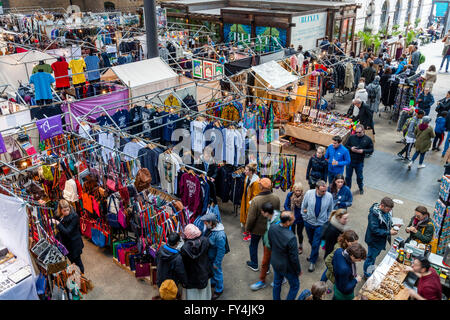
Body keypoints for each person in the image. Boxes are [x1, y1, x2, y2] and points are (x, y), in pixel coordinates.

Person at [245, 178, 280, 271]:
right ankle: (267, 267)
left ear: (261, 186)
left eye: (259, 184)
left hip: (256, 229)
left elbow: (251, 217)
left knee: (253, 245)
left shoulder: (256, 200)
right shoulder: (276, 198)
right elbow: (276, 214)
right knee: (267, 248)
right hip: (269, 229)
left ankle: (254, 264)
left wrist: (247, 228)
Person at [301, 180, 334, 272]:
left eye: (325, 190)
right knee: (311, 240)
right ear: (316, 189)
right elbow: (304, 206)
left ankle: (312, 261)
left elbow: (330, 209)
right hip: (308, 222)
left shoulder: (329, 196)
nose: (324, 193)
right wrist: (305, 217)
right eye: (322, 191)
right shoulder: (309, 193)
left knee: (316, 243)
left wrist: (327, 219)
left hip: (320, 224)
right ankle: (314, 254)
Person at [268, 211, 301, 300]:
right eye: (293, 219)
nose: (294, 219)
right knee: (295, 286)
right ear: (287, 222)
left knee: (277, 283)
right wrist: (298, 271)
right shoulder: (291, 237)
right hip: (287, 267)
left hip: (275, 261)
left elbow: (271, 243)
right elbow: (294, 258)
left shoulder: (272, 227)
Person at [363, 197, 398, 278]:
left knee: (374, 257)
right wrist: (389, 232)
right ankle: (367, 274)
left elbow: (388, 220)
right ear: (382, 205)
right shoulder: (374, 214)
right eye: (388, 209)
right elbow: (374, 230)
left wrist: (393, 225)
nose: (389, 211)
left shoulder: (385, 211)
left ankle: (370, 270)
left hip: (380, 241)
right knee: (370, 258)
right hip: (374, 241)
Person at [250, 202, 281, 291]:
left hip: (276, 247)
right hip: (267, 245)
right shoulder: (270, 216)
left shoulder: (279, 221)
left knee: (277, 265)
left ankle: (281, 279)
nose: (262, 213)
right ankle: (262, 282)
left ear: (267, 212)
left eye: (263, 212)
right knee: (264, 263)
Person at [180, 224, 213, 300]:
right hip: (204, 272)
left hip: (191, 276)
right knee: (204, 294)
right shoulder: (205, 240)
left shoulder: (184, 248)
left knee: (192, 295)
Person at [52, 200, 85, 273]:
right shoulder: (58, 215)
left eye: (68, 210)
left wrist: (58, 224)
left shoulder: (74, 216)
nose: (67, 212)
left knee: (78, 262)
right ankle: (77, 275)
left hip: (75, 244)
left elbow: (67, 231)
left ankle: (82, 277)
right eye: (64, 210)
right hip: (66, 244)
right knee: (72, 261)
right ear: (60, 210)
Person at [201, 212, 227, 300]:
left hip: (215, 258)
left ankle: (219, 289)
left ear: (211, 222)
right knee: (212, 271)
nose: (205, 224)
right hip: (210, 256)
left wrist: (217, 262)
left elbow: (221, 250)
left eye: (206, 222)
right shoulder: (211, 229)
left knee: (217, 272)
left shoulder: (219, 235)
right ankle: (213, 282)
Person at [155, 232, 188, 298]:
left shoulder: (160, 249)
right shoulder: (177, 257)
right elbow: (181, 272)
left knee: (163, 295)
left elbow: (156, 261)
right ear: (177, 243)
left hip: (160, 279)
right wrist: (185, 282)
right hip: (170, 284)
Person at [345, 124, 374, 194]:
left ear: (363, 131)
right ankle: (348, 190)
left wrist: (363, 151)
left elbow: (371, 150)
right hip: (350, 161)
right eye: (356, 132)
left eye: (359, 132)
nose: (357, 134)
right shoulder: (351, 137)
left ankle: (360, 188)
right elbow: (346, 145)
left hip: (359, 162)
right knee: (348, 177)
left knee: (359, 177)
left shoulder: (368, 139)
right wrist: (351, 148)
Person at [240, 163, 260, 241]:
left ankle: (251, 234)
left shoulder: (256, 182)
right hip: (245, 200)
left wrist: (250, 203)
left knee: (251, 218)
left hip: (252, 203)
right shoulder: (247, 178)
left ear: (251, 172)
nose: (244, 171)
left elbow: (256, 195)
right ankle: (248, 231)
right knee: (246, 216)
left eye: (246, 170)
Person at [284, 182, 305, 253]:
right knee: (292, 233)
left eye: (299, 190)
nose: (298, 192)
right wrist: (290, 213)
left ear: (302, 191)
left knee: (299, 233)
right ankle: (293, 246)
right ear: (294, 190)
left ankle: (300, 246)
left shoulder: (304, 197)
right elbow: (286, 205)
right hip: (292, 217)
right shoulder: (290, 195)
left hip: (300, 218)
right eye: (296, 190)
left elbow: (306, 206)